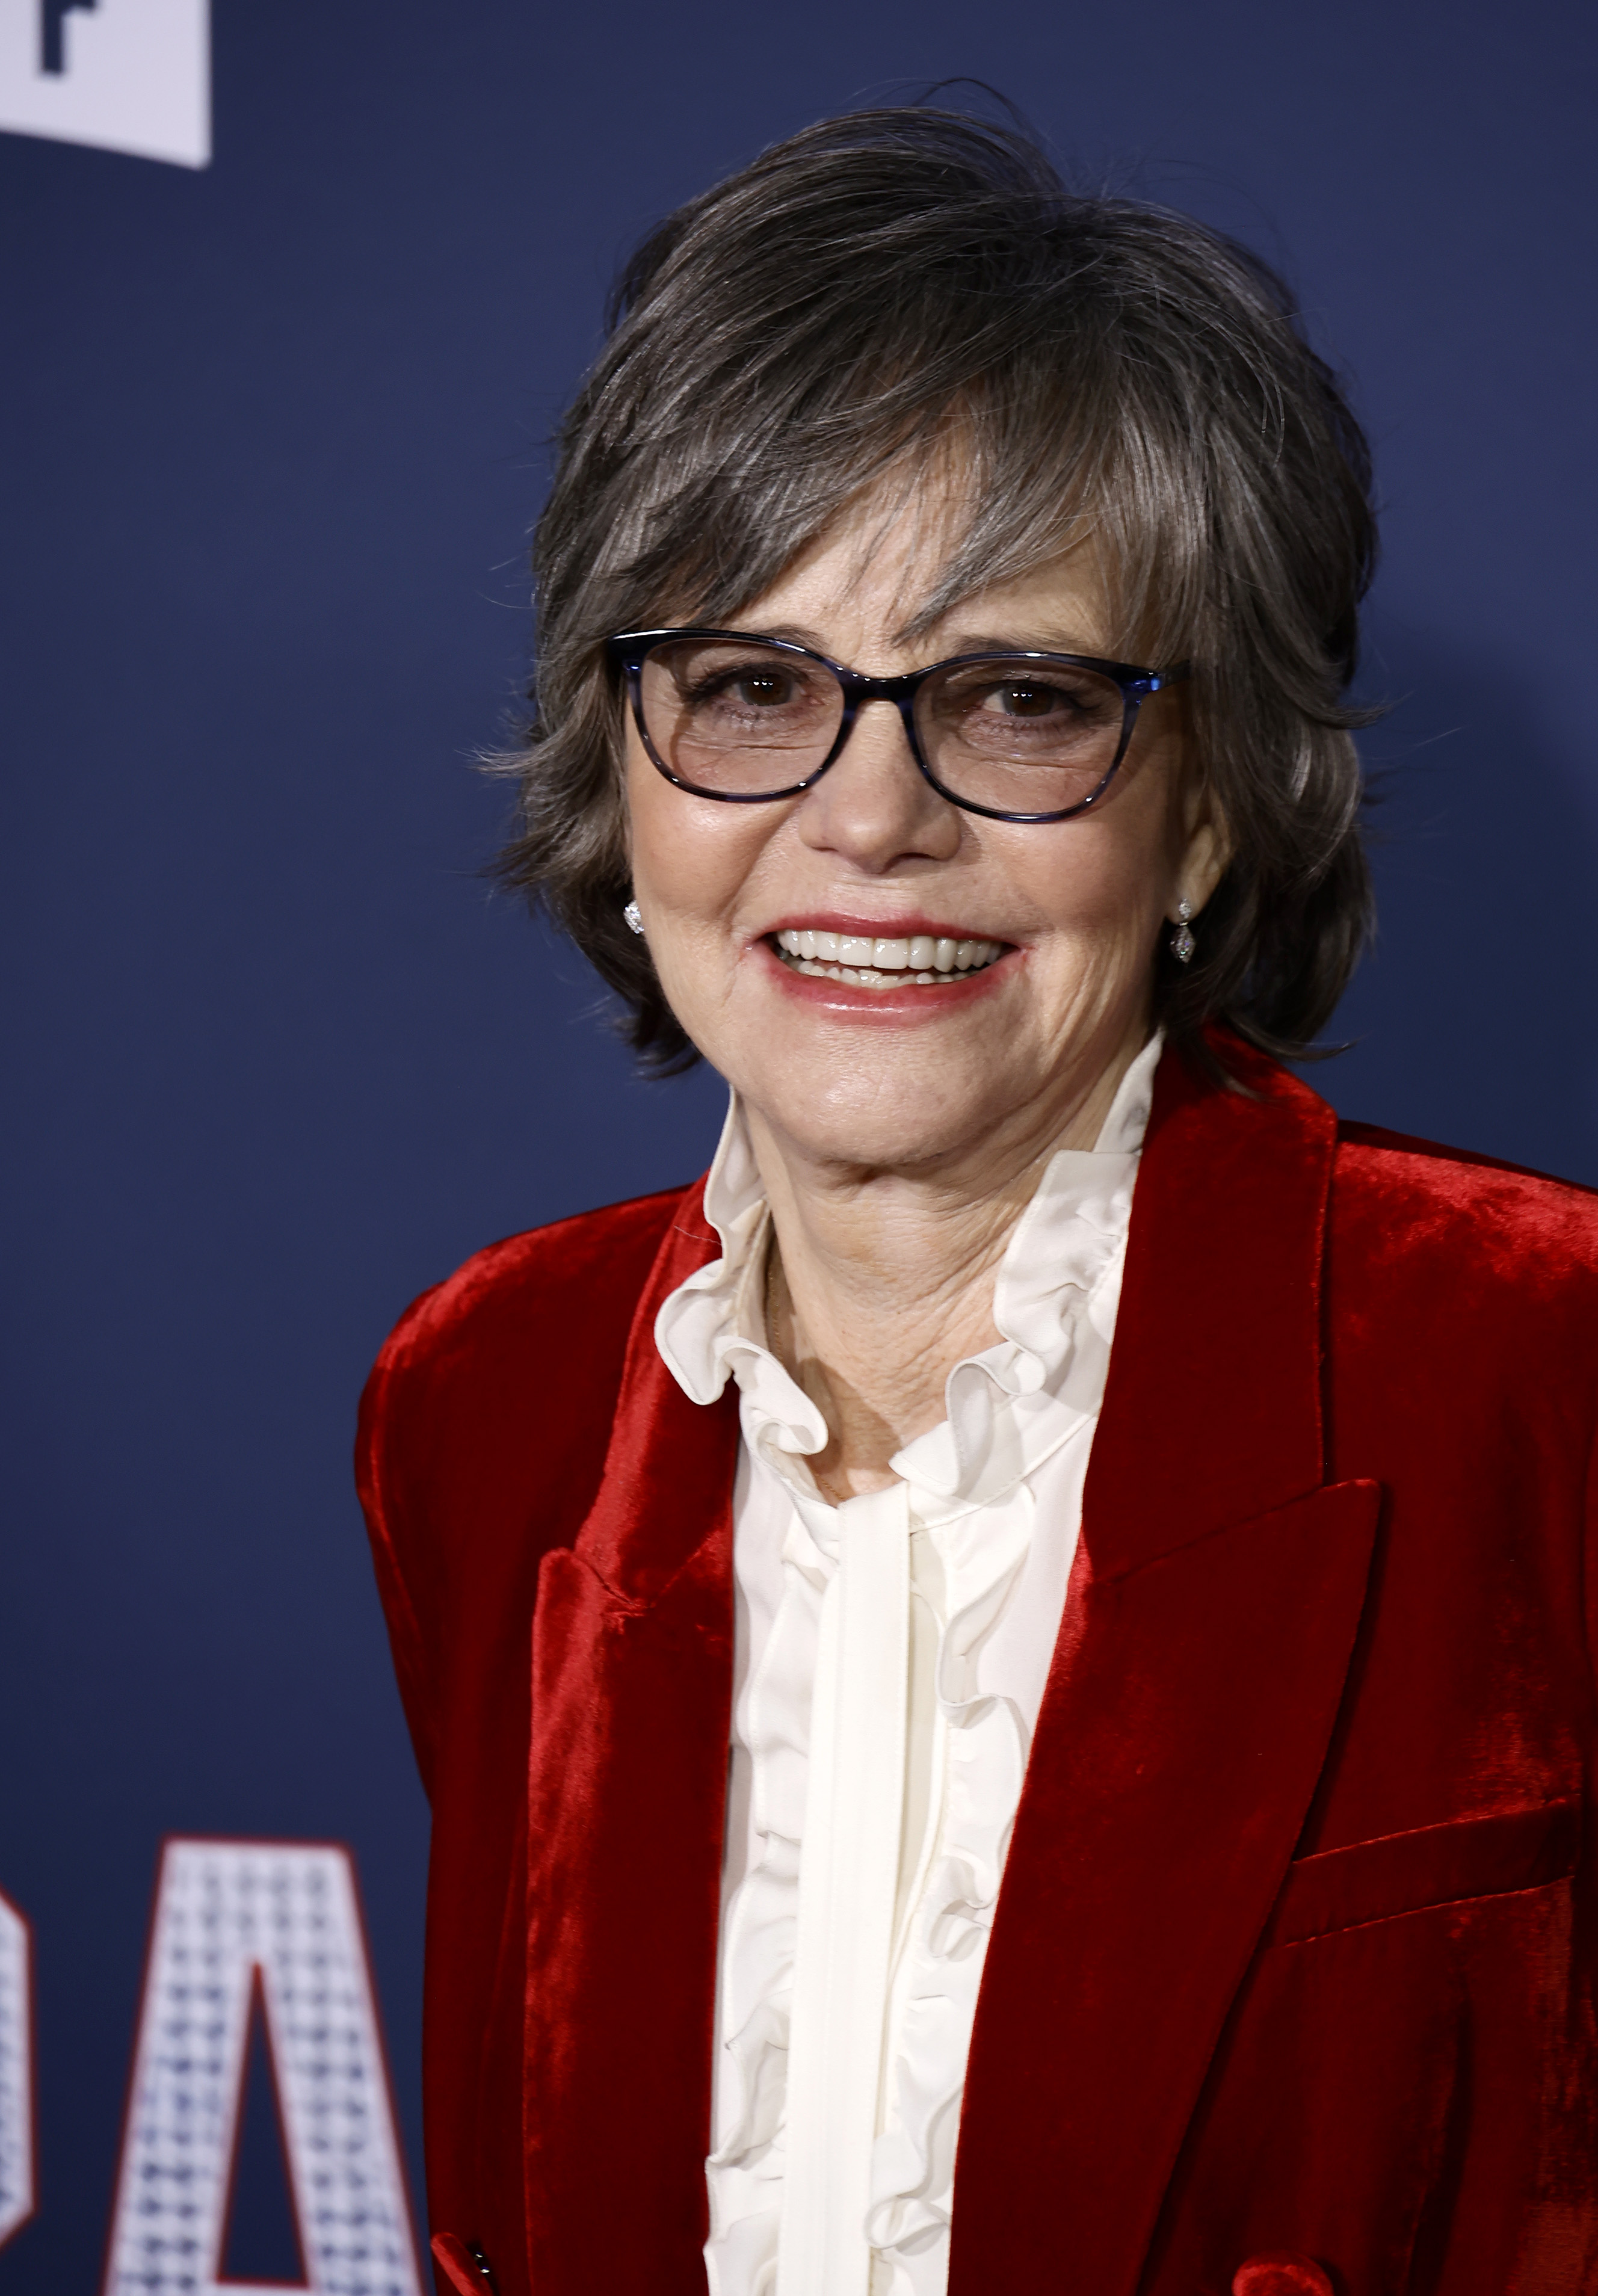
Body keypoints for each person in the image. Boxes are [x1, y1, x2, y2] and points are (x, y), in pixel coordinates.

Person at [356, 106, 1598, 2296]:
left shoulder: (1535, 1354)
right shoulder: (485, 1401)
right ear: (621, 772)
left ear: (1209, 811)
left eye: (1017, 701)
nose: (868, 820)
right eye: (751, 687)